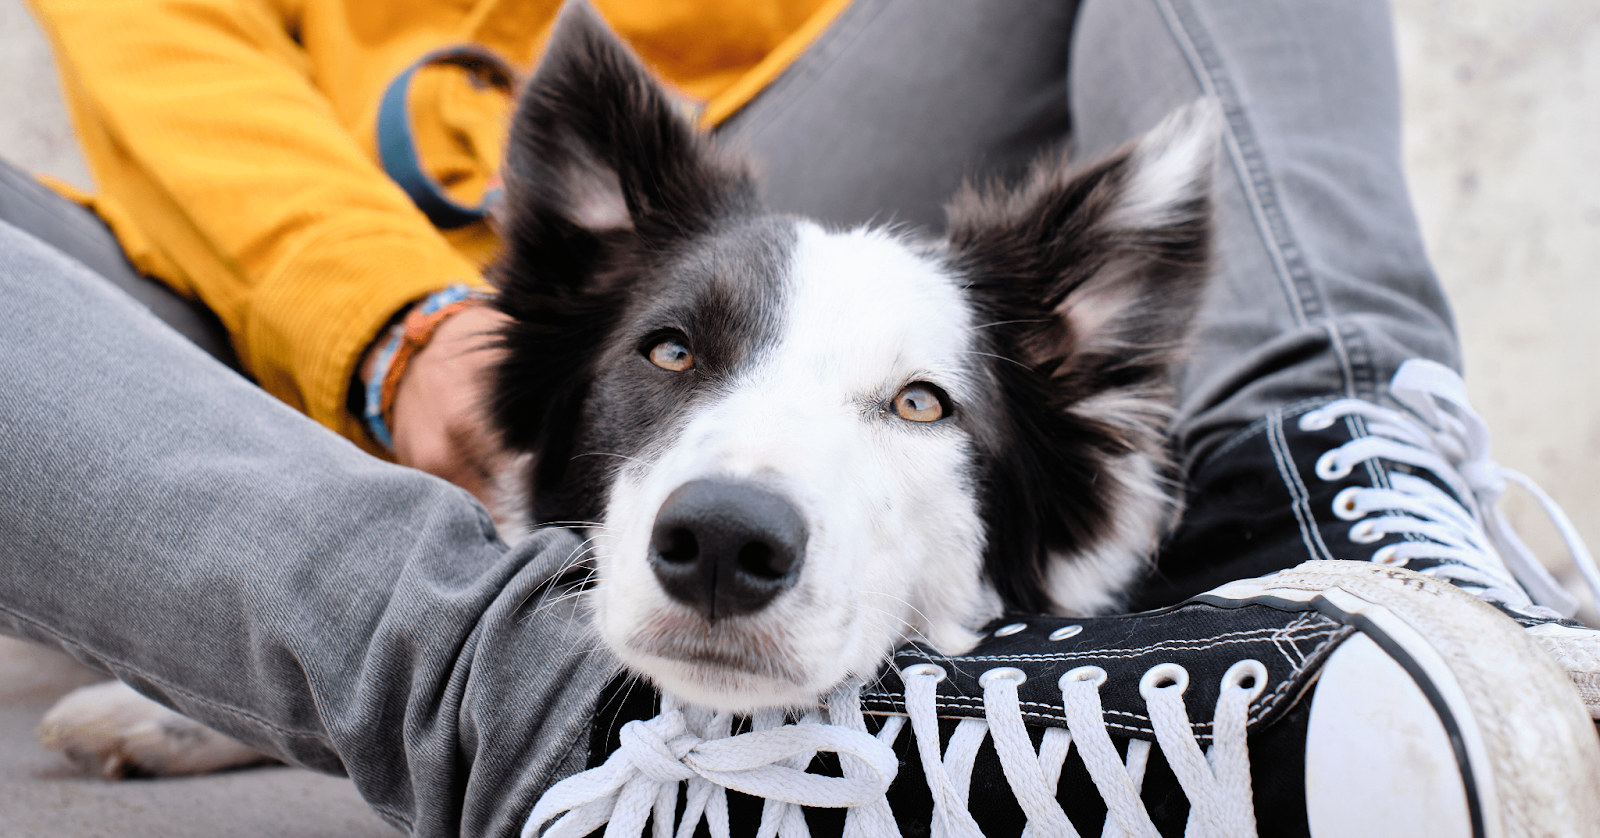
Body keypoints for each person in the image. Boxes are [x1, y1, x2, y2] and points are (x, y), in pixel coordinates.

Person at [4, 0, 1600, 835]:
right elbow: (167, 74)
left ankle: (1341, 519)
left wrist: (793, 342)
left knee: (773, 322)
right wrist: (397, 327)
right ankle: (540, 707)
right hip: (259, 283)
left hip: (741, 188)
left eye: (913, 405)